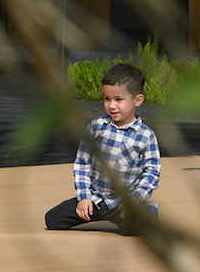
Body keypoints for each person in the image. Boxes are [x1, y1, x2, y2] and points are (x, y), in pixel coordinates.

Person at [46, 63, 160, 233]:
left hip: (122, 203)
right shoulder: (96, 127)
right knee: (52, 219)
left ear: (138, 100)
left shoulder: (146, 136)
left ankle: (147, 210)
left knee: (135, 230)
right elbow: (82, 163)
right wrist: (84, 197)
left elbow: (151, 172)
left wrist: (135, 198)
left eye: (118, 99)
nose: (111, 105)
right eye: (107, 99)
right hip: (95, 200)